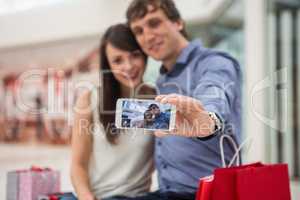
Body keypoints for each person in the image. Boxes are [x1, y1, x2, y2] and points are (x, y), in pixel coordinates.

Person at [104, 0, 241, 199]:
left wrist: (208, 120)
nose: (148, 36)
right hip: (168, 192)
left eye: (154, 23)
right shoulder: (160, 81)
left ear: (178, 22)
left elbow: (214, 92)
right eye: (139, 31)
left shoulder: (214, 63)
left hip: (207, 193)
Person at [70, 24, 156, 200]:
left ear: (145, 55)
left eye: (135, 55)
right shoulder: (90, 100)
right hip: (97, 196)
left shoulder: (157, 99)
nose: (128, 66)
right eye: (118, 60)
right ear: (107, 65)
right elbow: (78, 165)